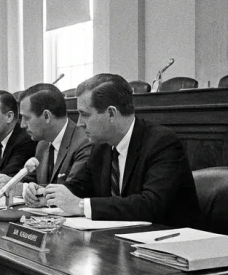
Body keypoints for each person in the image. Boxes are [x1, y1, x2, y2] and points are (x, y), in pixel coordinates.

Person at [42, 73, 201, 227]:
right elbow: (79, 186)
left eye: (85, 114)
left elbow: (151, 205)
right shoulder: (101, 147)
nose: (79, 123)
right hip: (120, 238)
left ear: (111, 113)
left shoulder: (162, 143)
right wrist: (46, 195)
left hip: (169, 239)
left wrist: (81, 205)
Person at [9, 83, 92, 207]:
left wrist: (34, 192)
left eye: (26, 118)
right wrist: (31, 188)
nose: (22, 125)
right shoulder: (42, 144)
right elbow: (36, 182)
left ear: (47, 116)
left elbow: (72, 190)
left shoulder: (83, 143)